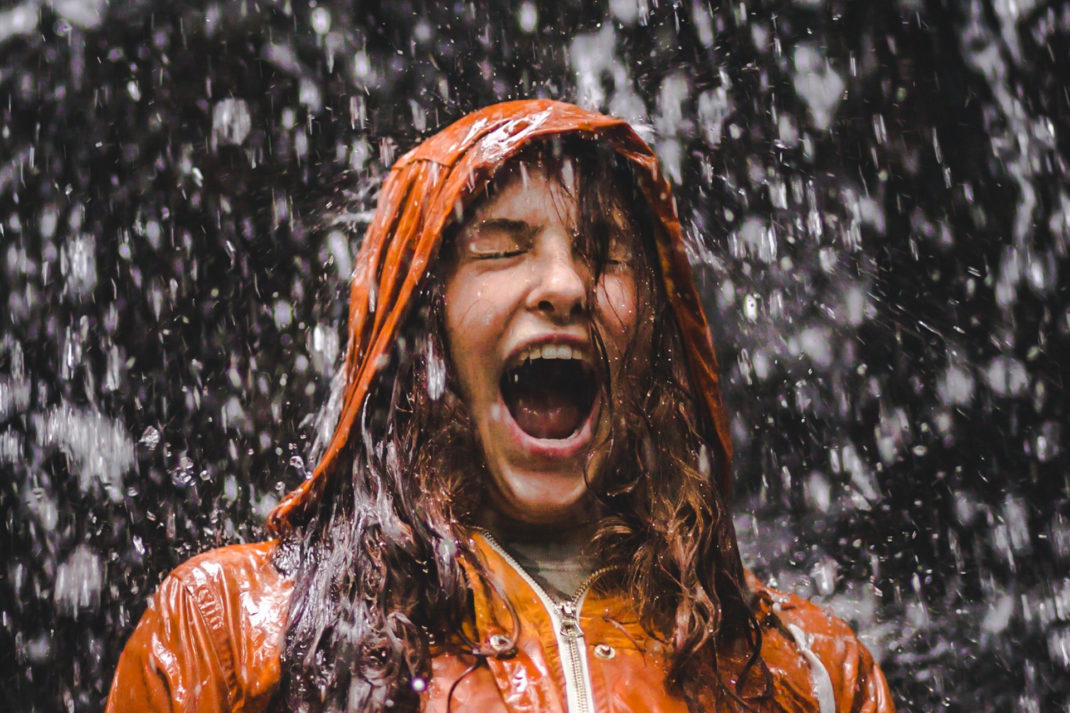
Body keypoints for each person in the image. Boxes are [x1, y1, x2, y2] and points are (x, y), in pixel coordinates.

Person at [105, 100, 894, 713]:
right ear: (420, 328)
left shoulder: (812, 671)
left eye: (604, 254)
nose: (565, 285)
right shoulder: (226, 632)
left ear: (657, 340)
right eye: (506, 246)